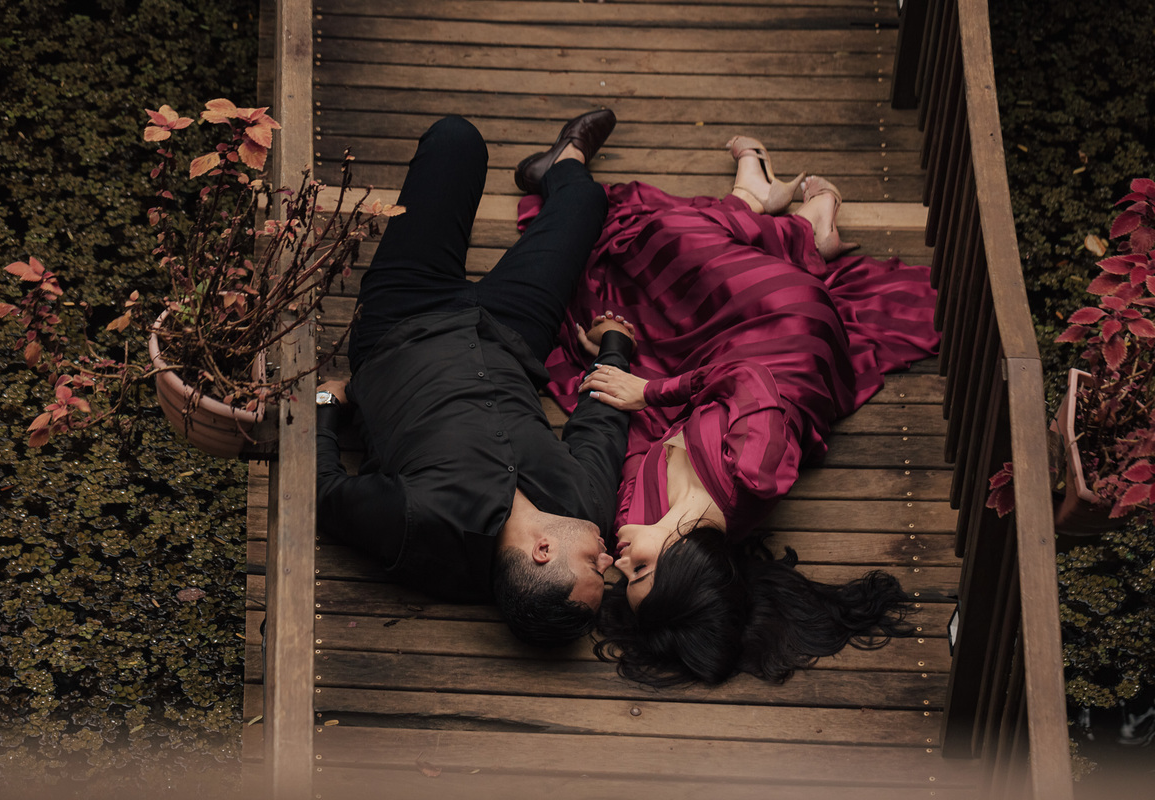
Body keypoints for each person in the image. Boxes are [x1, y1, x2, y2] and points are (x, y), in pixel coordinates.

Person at [524, 135, 942, 684]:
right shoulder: (753, 476)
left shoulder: (631, 520)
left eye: (626, 575)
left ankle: (771, 209)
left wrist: (615, 356)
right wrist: (650, 390)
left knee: (623, 278)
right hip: (789, 336)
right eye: (640, 569)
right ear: (685, 561)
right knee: (668, 236)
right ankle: (801, 231)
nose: (617, 563)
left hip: (706, 370)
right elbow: (747, 376)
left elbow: (638, 434)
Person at [315, 111, 637, 648]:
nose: (609, 560)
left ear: (542, 552)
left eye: (593, 566)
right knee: (585, 201)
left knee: (456, 139)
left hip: (403, 320)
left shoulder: (417, 526)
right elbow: (602, 428)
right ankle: (560, 164)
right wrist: (615, 347)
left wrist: (327, 402)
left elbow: (325, 493)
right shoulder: (586, 510)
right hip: (511, 333)